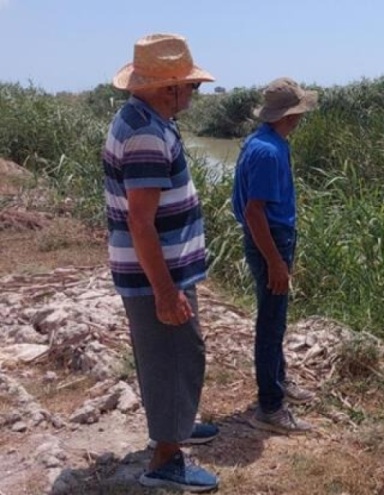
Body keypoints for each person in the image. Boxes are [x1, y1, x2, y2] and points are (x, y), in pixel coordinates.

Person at [103, 33, 219, 492]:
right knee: (172, 357)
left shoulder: (142, 117)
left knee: (175, 355)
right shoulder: (147, 134)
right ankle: (167, 459)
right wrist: (165, 291)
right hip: (157, 274)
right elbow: (141, 221)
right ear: (168, 88)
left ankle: (180, 423)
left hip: (159, 269)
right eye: (191, 87)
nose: (192, 94)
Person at [231, 77, 319, 434]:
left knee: (275, 319)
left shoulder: (265, 141)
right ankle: (270, 406)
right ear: (290, 115)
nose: (301, 118)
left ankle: (278, 383)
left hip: (272, 237)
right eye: (298, 112)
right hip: (270, 240)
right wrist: (275, 261)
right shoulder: (268, 151)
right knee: (270, 324)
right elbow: (254, 213)